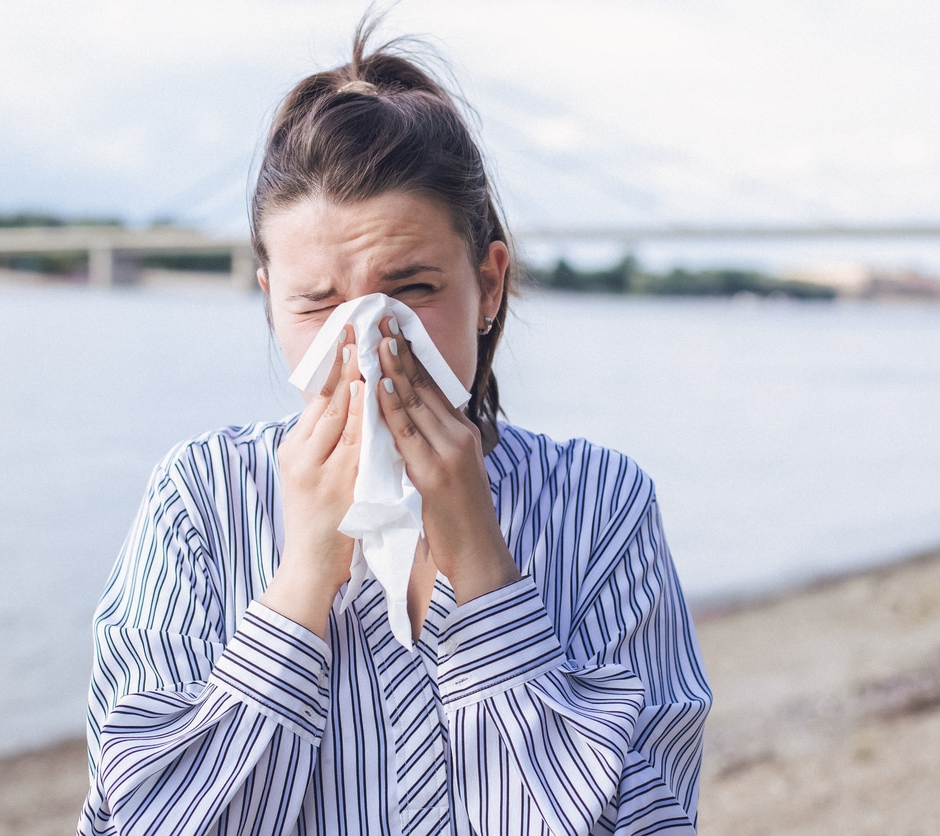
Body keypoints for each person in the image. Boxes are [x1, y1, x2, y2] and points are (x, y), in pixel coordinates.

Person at [80, 21, 711, 836]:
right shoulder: (199, 500)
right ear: (270, 298)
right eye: (317, 304)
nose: (369, 340)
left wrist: (483, 568)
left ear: (487, 284)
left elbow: (647, 818)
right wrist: (303, 577)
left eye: (410, 288)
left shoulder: (603, 506)